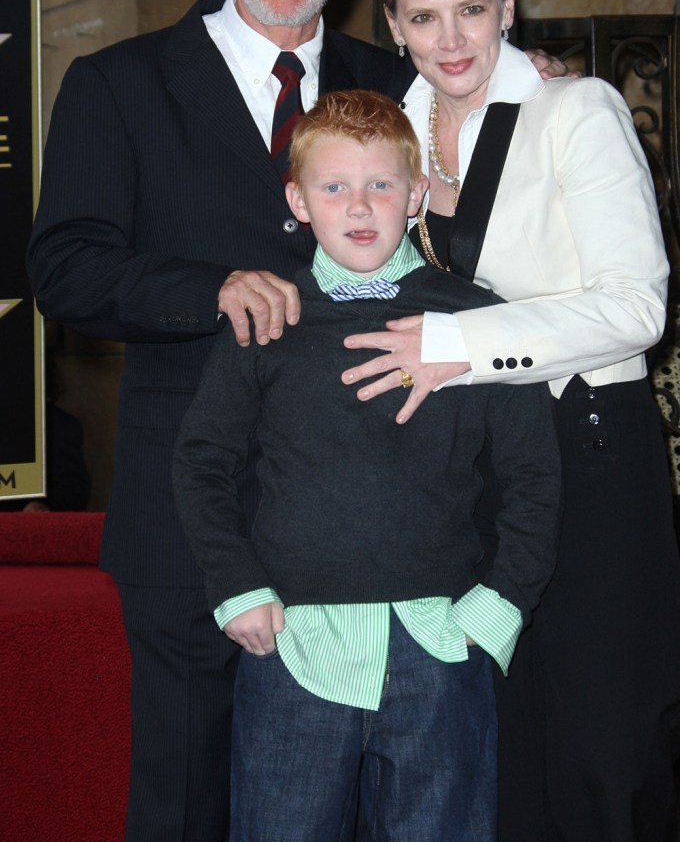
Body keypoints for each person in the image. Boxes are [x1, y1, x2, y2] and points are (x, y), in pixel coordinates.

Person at [25, 0, 568, 840]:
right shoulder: (119, 83)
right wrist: (211, 285)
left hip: (389, 543)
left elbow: (491, 143)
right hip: (194, 522)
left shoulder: (401, 76)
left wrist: (523, 77)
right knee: (190, 797)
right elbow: (63, 269)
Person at [338, 0, 680, 842]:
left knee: (597, 751)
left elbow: (635, 310)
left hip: (590, 462)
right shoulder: (391, 133)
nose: (450, 40)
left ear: (508, 8)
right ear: (396, 27)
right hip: (469, 483)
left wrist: (460, 343)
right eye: (423, 16)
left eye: (471, 10)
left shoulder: (580, 111)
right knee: (500, 751)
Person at [172, 89, 563, 842]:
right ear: (298, 199)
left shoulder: (476, 318)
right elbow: (202, 462)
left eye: (381, 184)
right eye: (334, 186)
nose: (360, 206)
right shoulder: (269, 317)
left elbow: (533, 477)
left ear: (416, 192)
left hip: (442, 645)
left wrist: (501, 604)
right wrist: (235, 585)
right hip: (293, 641)